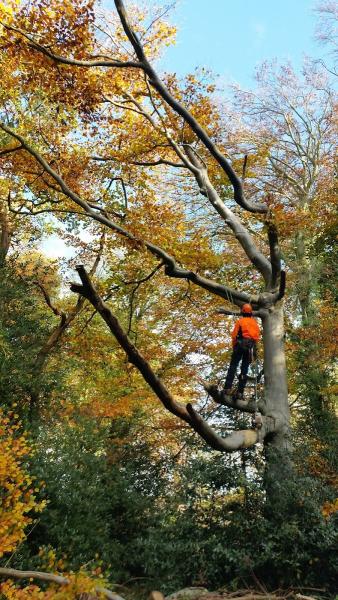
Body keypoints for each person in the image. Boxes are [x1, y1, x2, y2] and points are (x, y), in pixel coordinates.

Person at [223, 303, 260, 399]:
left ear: (242, 312)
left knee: (233, 366)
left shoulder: (240, 322)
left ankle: (227, 388)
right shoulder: (255, 323)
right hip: (250, 347)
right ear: (251, 312)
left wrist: (234, 346)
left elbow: (234, 336)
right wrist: (254, 352)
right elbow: (256, 338)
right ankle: (240, 392)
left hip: (240, 345)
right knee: (244, 369)